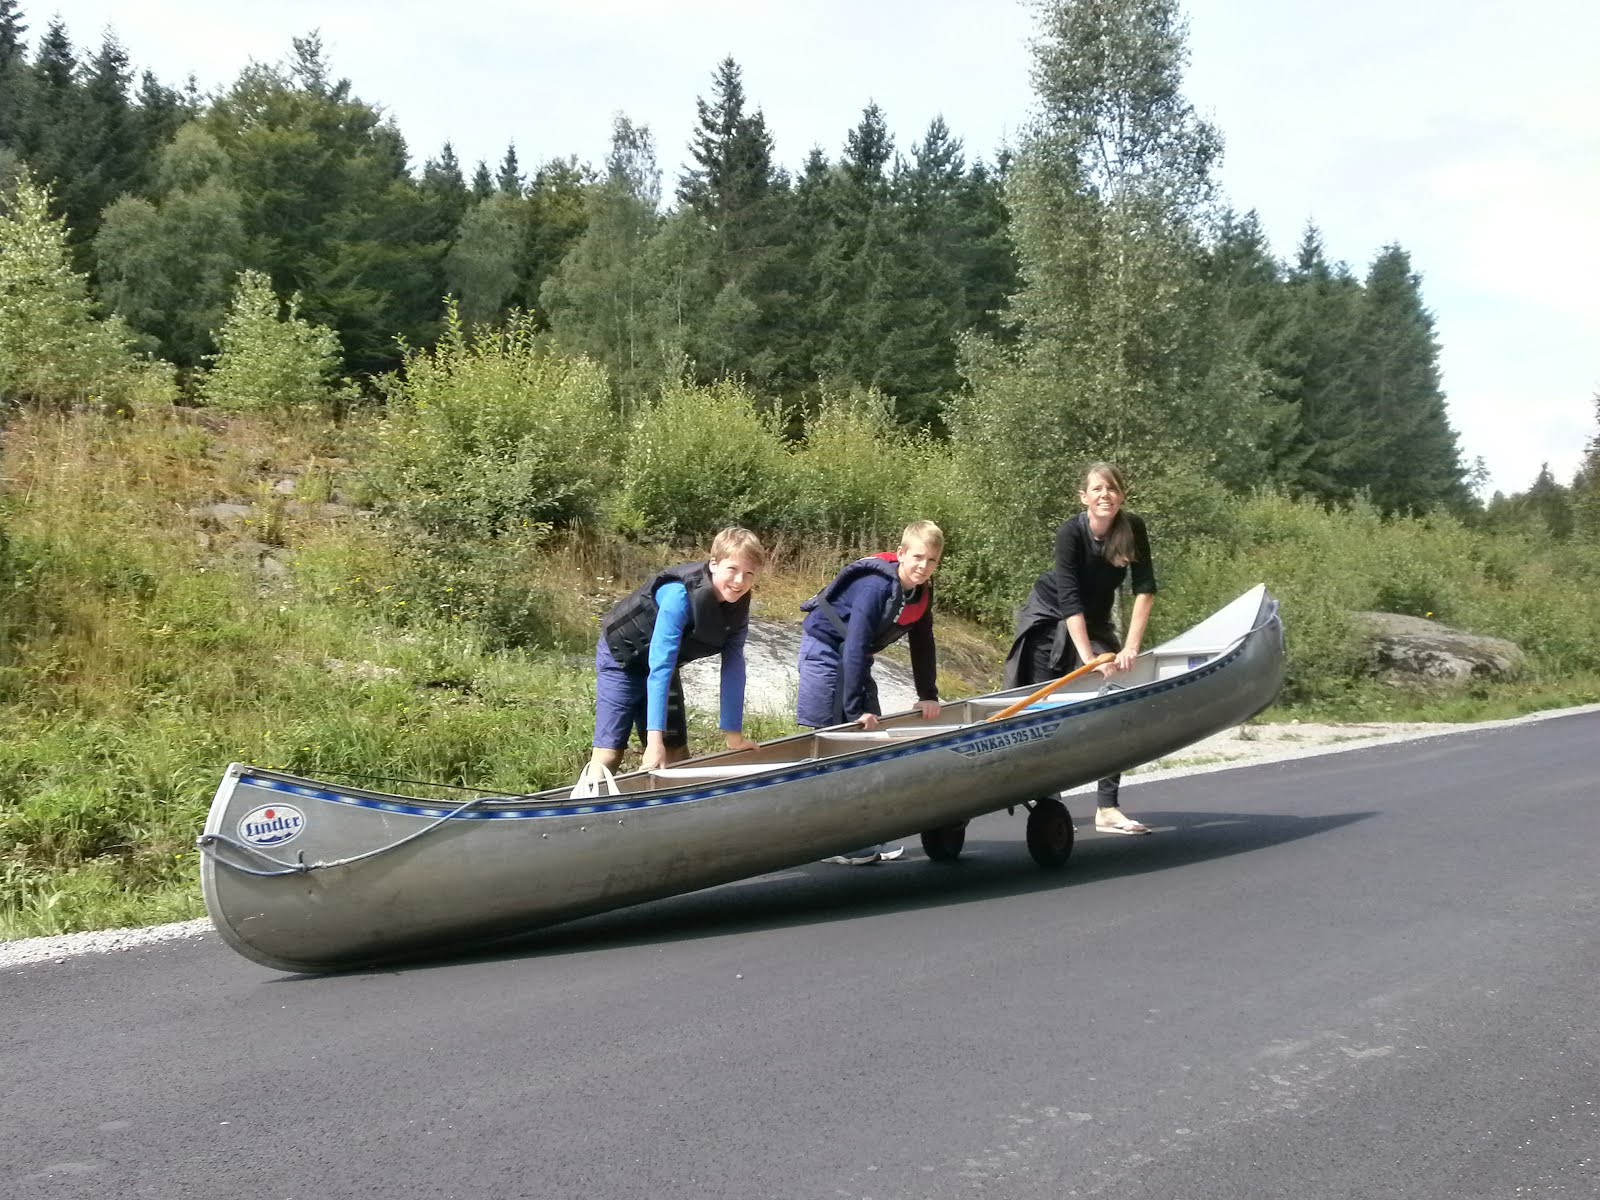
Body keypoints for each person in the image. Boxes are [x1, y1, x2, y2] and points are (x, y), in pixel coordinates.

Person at [1002, 463, 1157, 835]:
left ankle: (1107, 808)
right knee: (1042, 703)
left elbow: (1145, 588)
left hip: (1097, 618)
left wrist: (1130, 648)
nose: (1105, 495)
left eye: (1112, 489)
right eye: (1097, 489)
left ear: (1121, 495)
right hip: (1049, 613)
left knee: (1114, 698)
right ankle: (1047, 802)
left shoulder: (1132, 527)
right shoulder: (1070, 532)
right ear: (1084, 497)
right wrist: (1087, 658)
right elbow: (1070, 599)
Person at [797, 521, 944, 864]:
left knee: (873, 740)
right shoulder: (876, 586)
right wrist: (853, 712)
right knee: (838, 741)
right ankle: (835, 841)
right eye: (918, 557)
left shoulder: (921, 590)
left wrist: (928, 694)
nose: (924, 566)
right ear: (901, 553)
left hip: (855, 657)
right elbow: (855, 641)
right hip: (825, 648)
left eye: (932, 560)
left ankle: (866, 830)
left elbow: (923, 643)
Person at [589, 527, 765, 776]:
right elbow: (660, 666)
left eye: (749, 574)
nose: (739, 581)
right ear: (714, 564)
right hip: (623, 659)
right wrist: (653, 742)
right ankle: (585, 806)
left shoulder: (738, 607)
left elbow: (734, 667)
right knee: (609, 755)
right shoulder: (679, 596)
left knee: (677, 756)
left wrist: (734, 736)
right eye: (732, 570)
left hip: (663, 667)